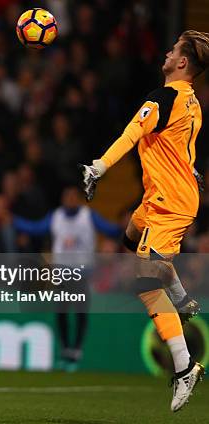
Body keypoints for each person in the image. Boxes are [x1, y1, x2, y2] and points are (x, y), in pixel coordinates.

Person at [80, 30, 209, 412]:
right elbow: (183, 145)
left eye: (172, 51)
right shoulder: (191, 103)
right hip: (159, 198)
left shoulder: (163, 98)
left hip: (169, 202)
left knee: (144, 280)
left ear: (182, 62)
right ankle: (182, 298)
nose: (166, 54)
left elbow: (133, 132)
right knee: (129, 240)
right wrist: (192, 170)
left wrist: (100, 166)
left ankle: (184, 366)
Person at [12, 186, 120, 371]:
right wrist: (14, 221)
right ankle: (66, 350)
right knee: (61, 312)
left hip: (81, 273)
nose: (69, 200)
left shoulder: (88, 216)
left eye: (72, 197)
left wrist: (127, 226)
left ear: (78, 199)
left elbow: (110, 230)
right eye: (66, 197)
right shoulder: (56, 216)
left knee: (79, 312)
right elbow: (36, 229)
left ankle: (76, 350)